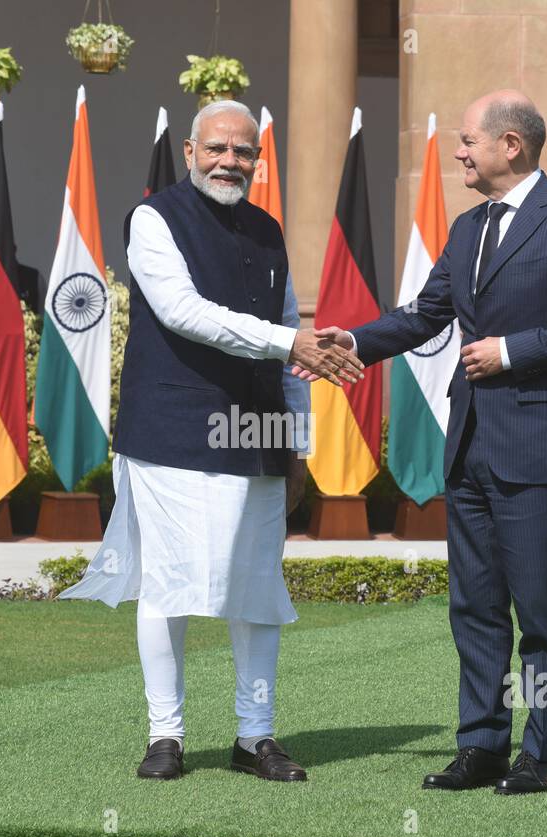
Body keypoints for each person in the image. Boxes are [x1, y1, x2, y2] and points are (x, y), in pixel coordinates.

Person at [301, 90, 547, 793]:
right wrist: (352, 339)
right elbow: (425, 314)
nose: (457, 152)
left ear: (511, 144)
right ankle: (480, 748)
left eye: (467, 140)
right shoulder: (468, 226)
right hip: (470, 444)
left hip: (538, 444)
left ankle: (541, 756)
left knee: (537, 610)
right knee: (474, 605)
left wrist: (512, 351)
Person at [59, 99, 364, 783]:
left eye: (245, 151)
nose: (231, 161)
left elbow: (289, 341)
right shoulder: (153, 218)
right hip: (170, 430)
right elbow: (185, 313)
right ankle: (165, 734)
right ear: (191, 152)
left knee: (256, 590)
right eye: (218, 148)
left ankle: (255, 735)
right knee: (166, 587)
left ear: (258, 161)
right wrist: (293, 343)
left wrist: (299, 444)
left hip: (256, 434)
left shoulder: (267, 229)